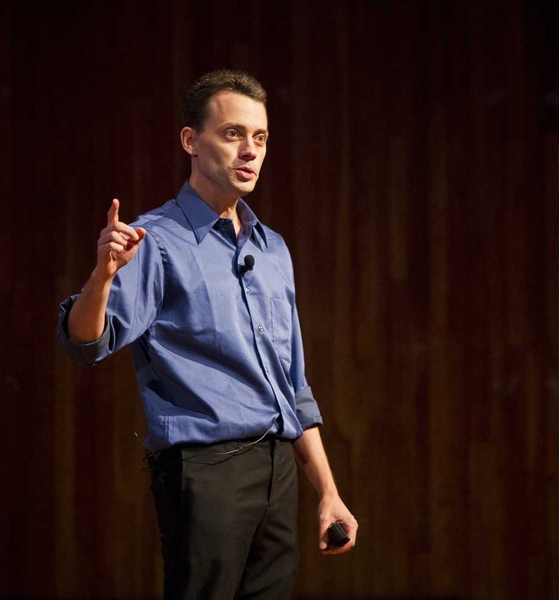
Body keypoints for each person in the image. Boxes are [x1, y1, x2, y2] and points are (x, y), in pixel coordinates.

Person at [57, 69, 357, 599]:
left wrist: (327, 492)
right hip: (207, 472)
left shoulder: (272, 249)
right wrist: (102, 277)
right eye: (233, 133)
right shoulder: (155, 241)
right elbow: (85, 344)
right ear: (190, 141)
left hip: (278, 473)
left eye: (260, 137)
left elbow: (293, 386)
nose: (250, 150)